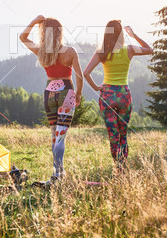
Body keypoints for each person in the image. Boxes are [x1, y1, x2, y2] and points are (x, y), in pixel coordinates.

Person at [20, 15, 83, 184]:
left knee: (54, 136)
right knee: (60, 137)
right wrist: (78, 94)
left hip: (49, 94)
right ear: (59, 33)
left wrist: (33, 22)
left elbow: (22, 38)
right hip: (66, 92)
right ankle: (57, 175)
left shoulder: (42, 51)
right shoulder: (70, 52)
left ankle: (58, 174)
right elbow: (80, 76)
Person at [83, 20, 152, 169]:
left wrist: (96, 87)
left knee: (113, 135)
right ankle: (123, 166)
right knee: (123, 134)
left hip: (107, 95)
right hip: (124, 95)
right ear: (121, 34)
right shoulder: (130, 50)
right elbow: (149, 49)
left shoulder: (102, 52)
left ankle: (118, 166)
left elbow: (86, 73)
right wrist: (134, 35)